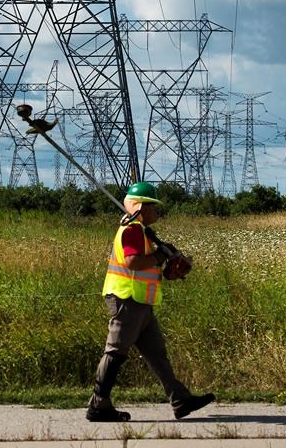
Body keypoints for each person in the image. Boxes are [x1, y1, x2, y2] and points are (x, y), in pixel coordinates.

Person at [85, 181, 215, 422]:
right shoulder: (133, 229)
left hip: (141, 301)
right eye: (153, 207)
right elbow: (133, 262)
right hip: (127, 299)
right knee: (115, 352)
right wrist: (159, 255)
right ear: (141, 207)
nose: (157, 212)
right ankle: (98, 404)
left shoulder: (143, 231)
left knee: (157, 354)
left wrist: (168, 265)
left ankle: (180, 399)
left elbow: (148, 267)